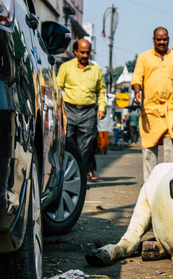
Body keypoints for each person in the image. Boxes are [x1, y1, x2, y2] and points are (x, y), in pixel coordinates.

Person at [131, 26, 173, 182]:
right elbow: (137, 79)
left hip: (171, 109)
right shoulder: (144, 57)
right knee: (149, 150)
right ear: (153, 40)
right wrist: (138, 92)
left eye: (164, 39)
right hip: (150, 109)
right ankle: (149, 185)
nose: (162, 42)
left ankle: (169, 183)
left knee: (172, 149)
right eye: (159, 39)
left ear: (168, 39)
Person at [57, 39, 106, 181]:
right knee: (68, 142)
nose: (85, 55)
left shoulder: (96, 70)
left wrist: (101, 108)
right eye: (82, 52)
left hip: (89, 112)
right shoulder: (65, 67)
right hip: (69, 110)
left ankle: (81, 174)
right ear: (75, 52)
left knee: (87, 145)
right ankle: (66, 173)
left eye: (87, 52)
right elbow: (57, 88)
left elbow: (101, 91)